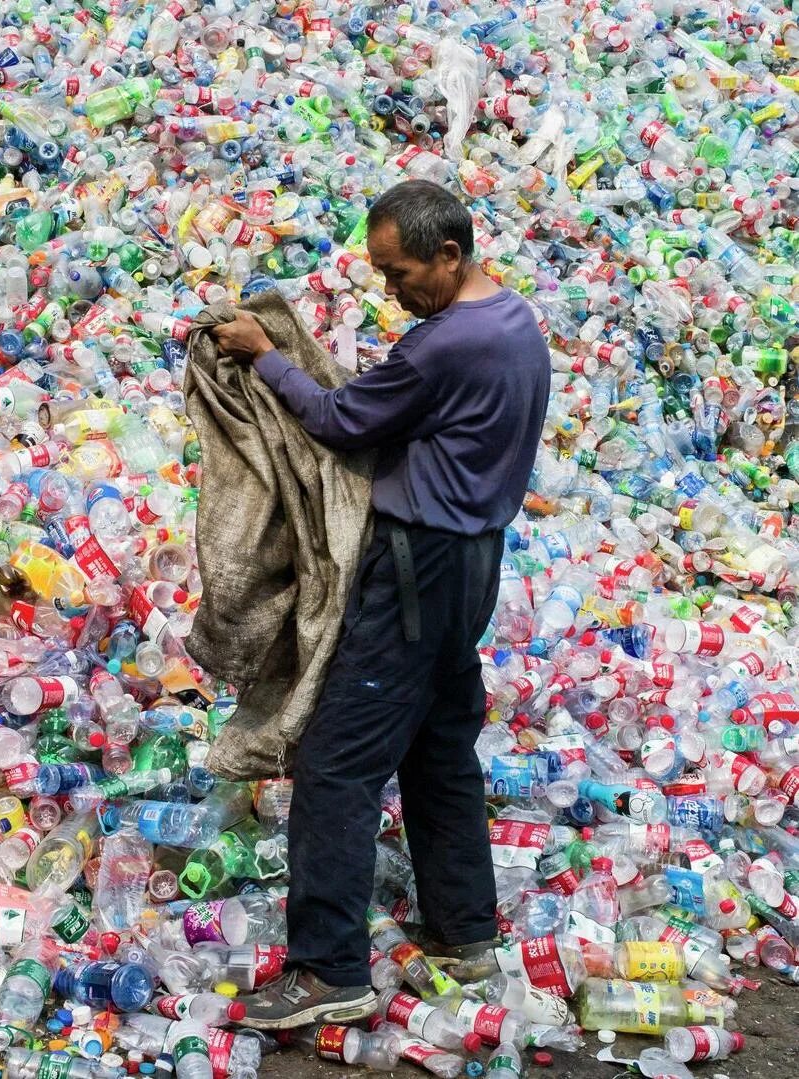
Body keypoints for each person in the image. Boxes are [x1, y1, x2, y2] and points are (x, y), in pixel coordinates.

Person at [209, 179, 551, 1030]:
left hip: (414, 568)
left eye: (400, 273)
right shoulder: (513, 321)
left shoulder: (444, 345)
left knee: (336, 763)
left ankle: (327, 971)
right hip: (473, 562)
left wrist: (265, 353)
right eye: (380, 273)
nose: (390, 290)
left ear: (449, 254)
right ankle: (464, 933)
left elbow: (335, 418)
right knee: (439, 749)